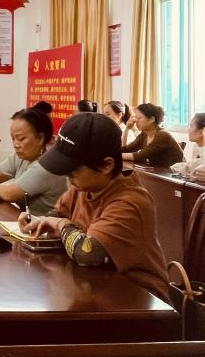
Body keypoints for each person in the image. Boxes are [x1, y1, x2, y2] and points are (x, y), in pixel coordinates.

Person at [20, 112, 169, 300]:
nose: (68, 177)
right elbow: (58, 213)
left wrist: (60, 224)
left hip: (138, 302)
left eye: (73, 171)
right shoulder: (83, 187)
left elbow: (87, 252)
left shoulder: (130, 202)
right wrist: (40, 220)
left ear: (106, 165)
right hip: (97, 290)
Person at [0, 103, 68, 215]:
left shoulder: (46, 166)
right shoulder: (22, 156)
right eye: (13, 138)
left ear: (40, 138)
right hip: (25, 220)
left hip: (44, 224)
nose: (15, 144)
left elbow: (9, 193)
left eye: (21, 139)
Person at [120, 103, 183, 168]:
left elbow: (140, 156)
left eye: (139, 118)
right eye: (135, 118)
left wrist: (116, 156)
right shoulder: (144, 134)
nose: (136, 121)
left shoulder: (163, 135)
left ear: (152, 119)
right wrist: (127, 129)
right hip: (158, 171)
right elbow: (126, 150)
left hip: (174, 172)